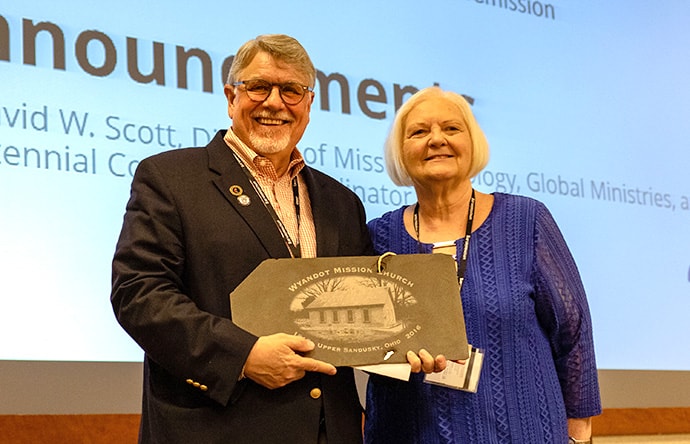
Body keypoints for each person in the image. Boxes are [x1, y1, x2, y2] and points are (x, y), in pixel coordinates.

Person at [111, 34, 374, 444]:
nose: (274, 102)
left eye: (291, 90)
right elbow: (139, 294)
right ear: (231, 96)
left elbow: (365, 308)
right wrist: (243, 356)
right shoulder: (171, 179)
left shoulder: (342, 202)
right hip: (216, 429)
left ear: (308, 104)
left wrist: (410, 350)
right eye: (259, 87)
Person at [363, 86, 602, 443]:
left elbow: (573, 331)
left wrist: (579, 432)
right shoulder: (377, 238)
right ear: (400, 152)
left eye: (451, 129)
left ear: (472, 143)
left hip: (523, 431)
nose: (436, 139)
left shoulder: (525, 220)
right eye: (419, 131)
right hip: (406, 432)